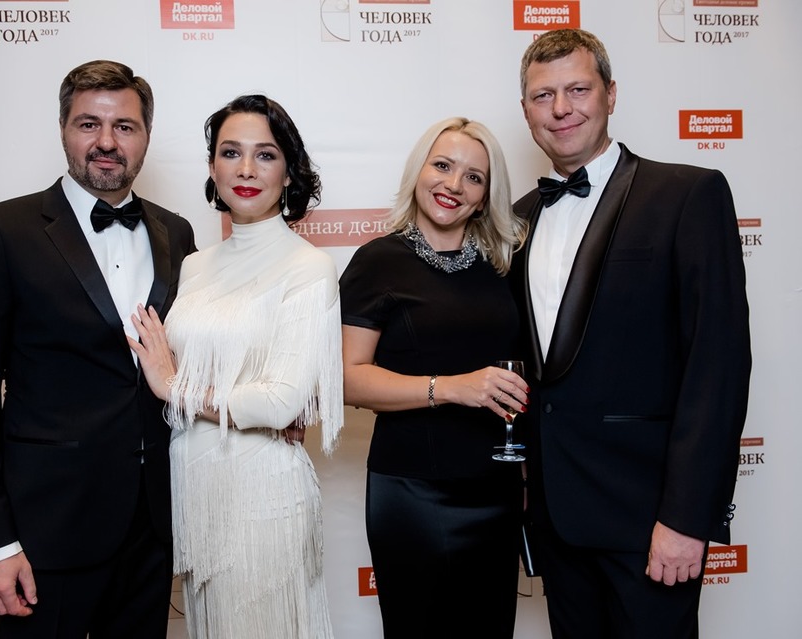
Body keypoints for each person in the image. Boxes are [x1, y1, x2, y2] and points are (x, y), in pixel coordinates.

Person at [0, 59, 196, 638]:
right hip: (43, 535)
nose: (106, 142)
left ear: (146, 136)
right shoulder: (1, 232)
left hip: (153, 529)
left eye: (124, 126)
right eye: (88, 124)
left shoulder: (176, 232)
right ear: (63, 129)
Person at [511, 28, 751, 638]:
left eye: (577, 90)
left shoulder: (688, 194)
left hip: (650, 522)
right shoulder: (518, 219)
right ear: (526, 111)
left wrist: (688, 518)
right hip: (557, 520)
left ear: (611, 94)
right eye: (543, 96)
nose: (560, 109)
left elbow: (718, 367)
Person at [127, 94, 343, 638]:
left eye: (265, 155)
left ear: (289, 172)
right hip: (194, 492)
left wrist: (173, 387)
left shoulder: (310, 267)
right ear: (212, 167)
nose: (246, 169)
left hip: (262, 498)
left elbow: (282, 402)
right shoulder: (194, 266)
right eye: (230, 153)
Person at [339, 117, 529, 638]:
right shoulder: (377, 262)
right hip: (412, 493)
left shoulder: (504, 265)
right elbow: (348, 380)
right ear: (418, 171)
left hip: (496, 490)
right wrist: (449, 387)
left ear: (486, 197)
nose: (453, 184)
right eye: (442, 165)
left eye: (474, 177)